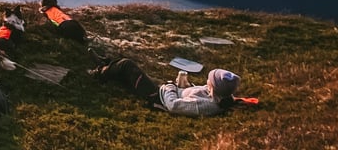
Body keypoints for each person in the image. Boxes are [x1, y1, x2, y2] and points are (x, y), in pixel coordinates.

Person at [91, 57, 242, 117]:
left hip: (157, 97)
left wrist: (170, 86)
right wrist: (185, 86)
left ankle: (99, 73)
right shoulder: (219, 94)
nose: (207, 80)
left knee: (127, 65)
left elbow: (173, 105)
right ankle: (106, 64)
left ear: (214, 86)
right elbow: (194, 93)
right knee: (130, 70)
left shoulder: (204, 105)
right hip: (168, 90)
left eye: (210, 80)